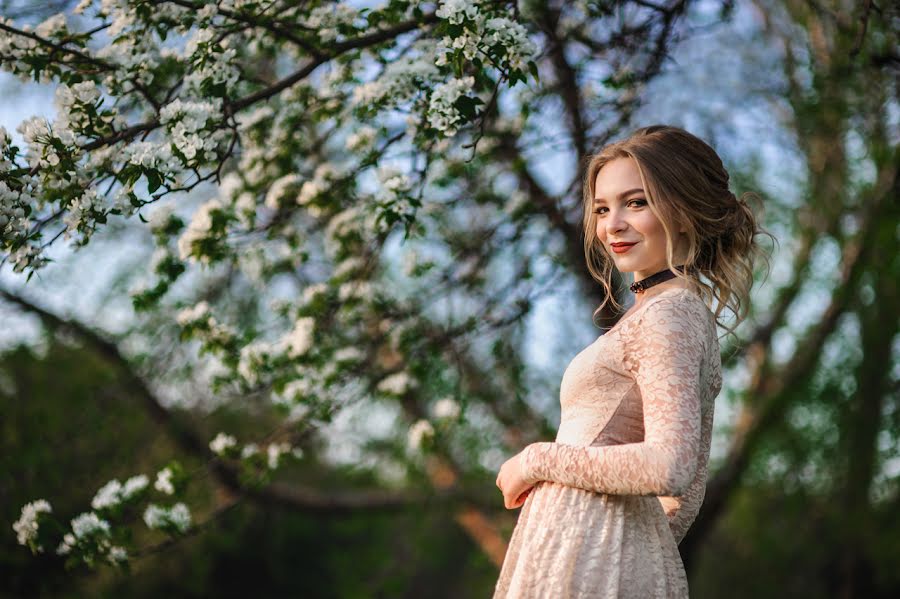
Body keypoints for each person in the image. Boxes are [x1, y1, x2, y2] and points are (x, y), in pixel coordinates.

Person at [492, 125, 772, 598]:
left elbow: (671, 467)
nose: (612, 224)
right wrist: (630, 549)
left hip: (588, 559)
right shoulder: (664, 311)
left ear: (683, 211)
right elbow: (683, 495)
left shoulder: (669, 315)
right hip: (588, 554)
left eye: (636, 202)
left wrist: (537, 460)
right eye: (602, 208)